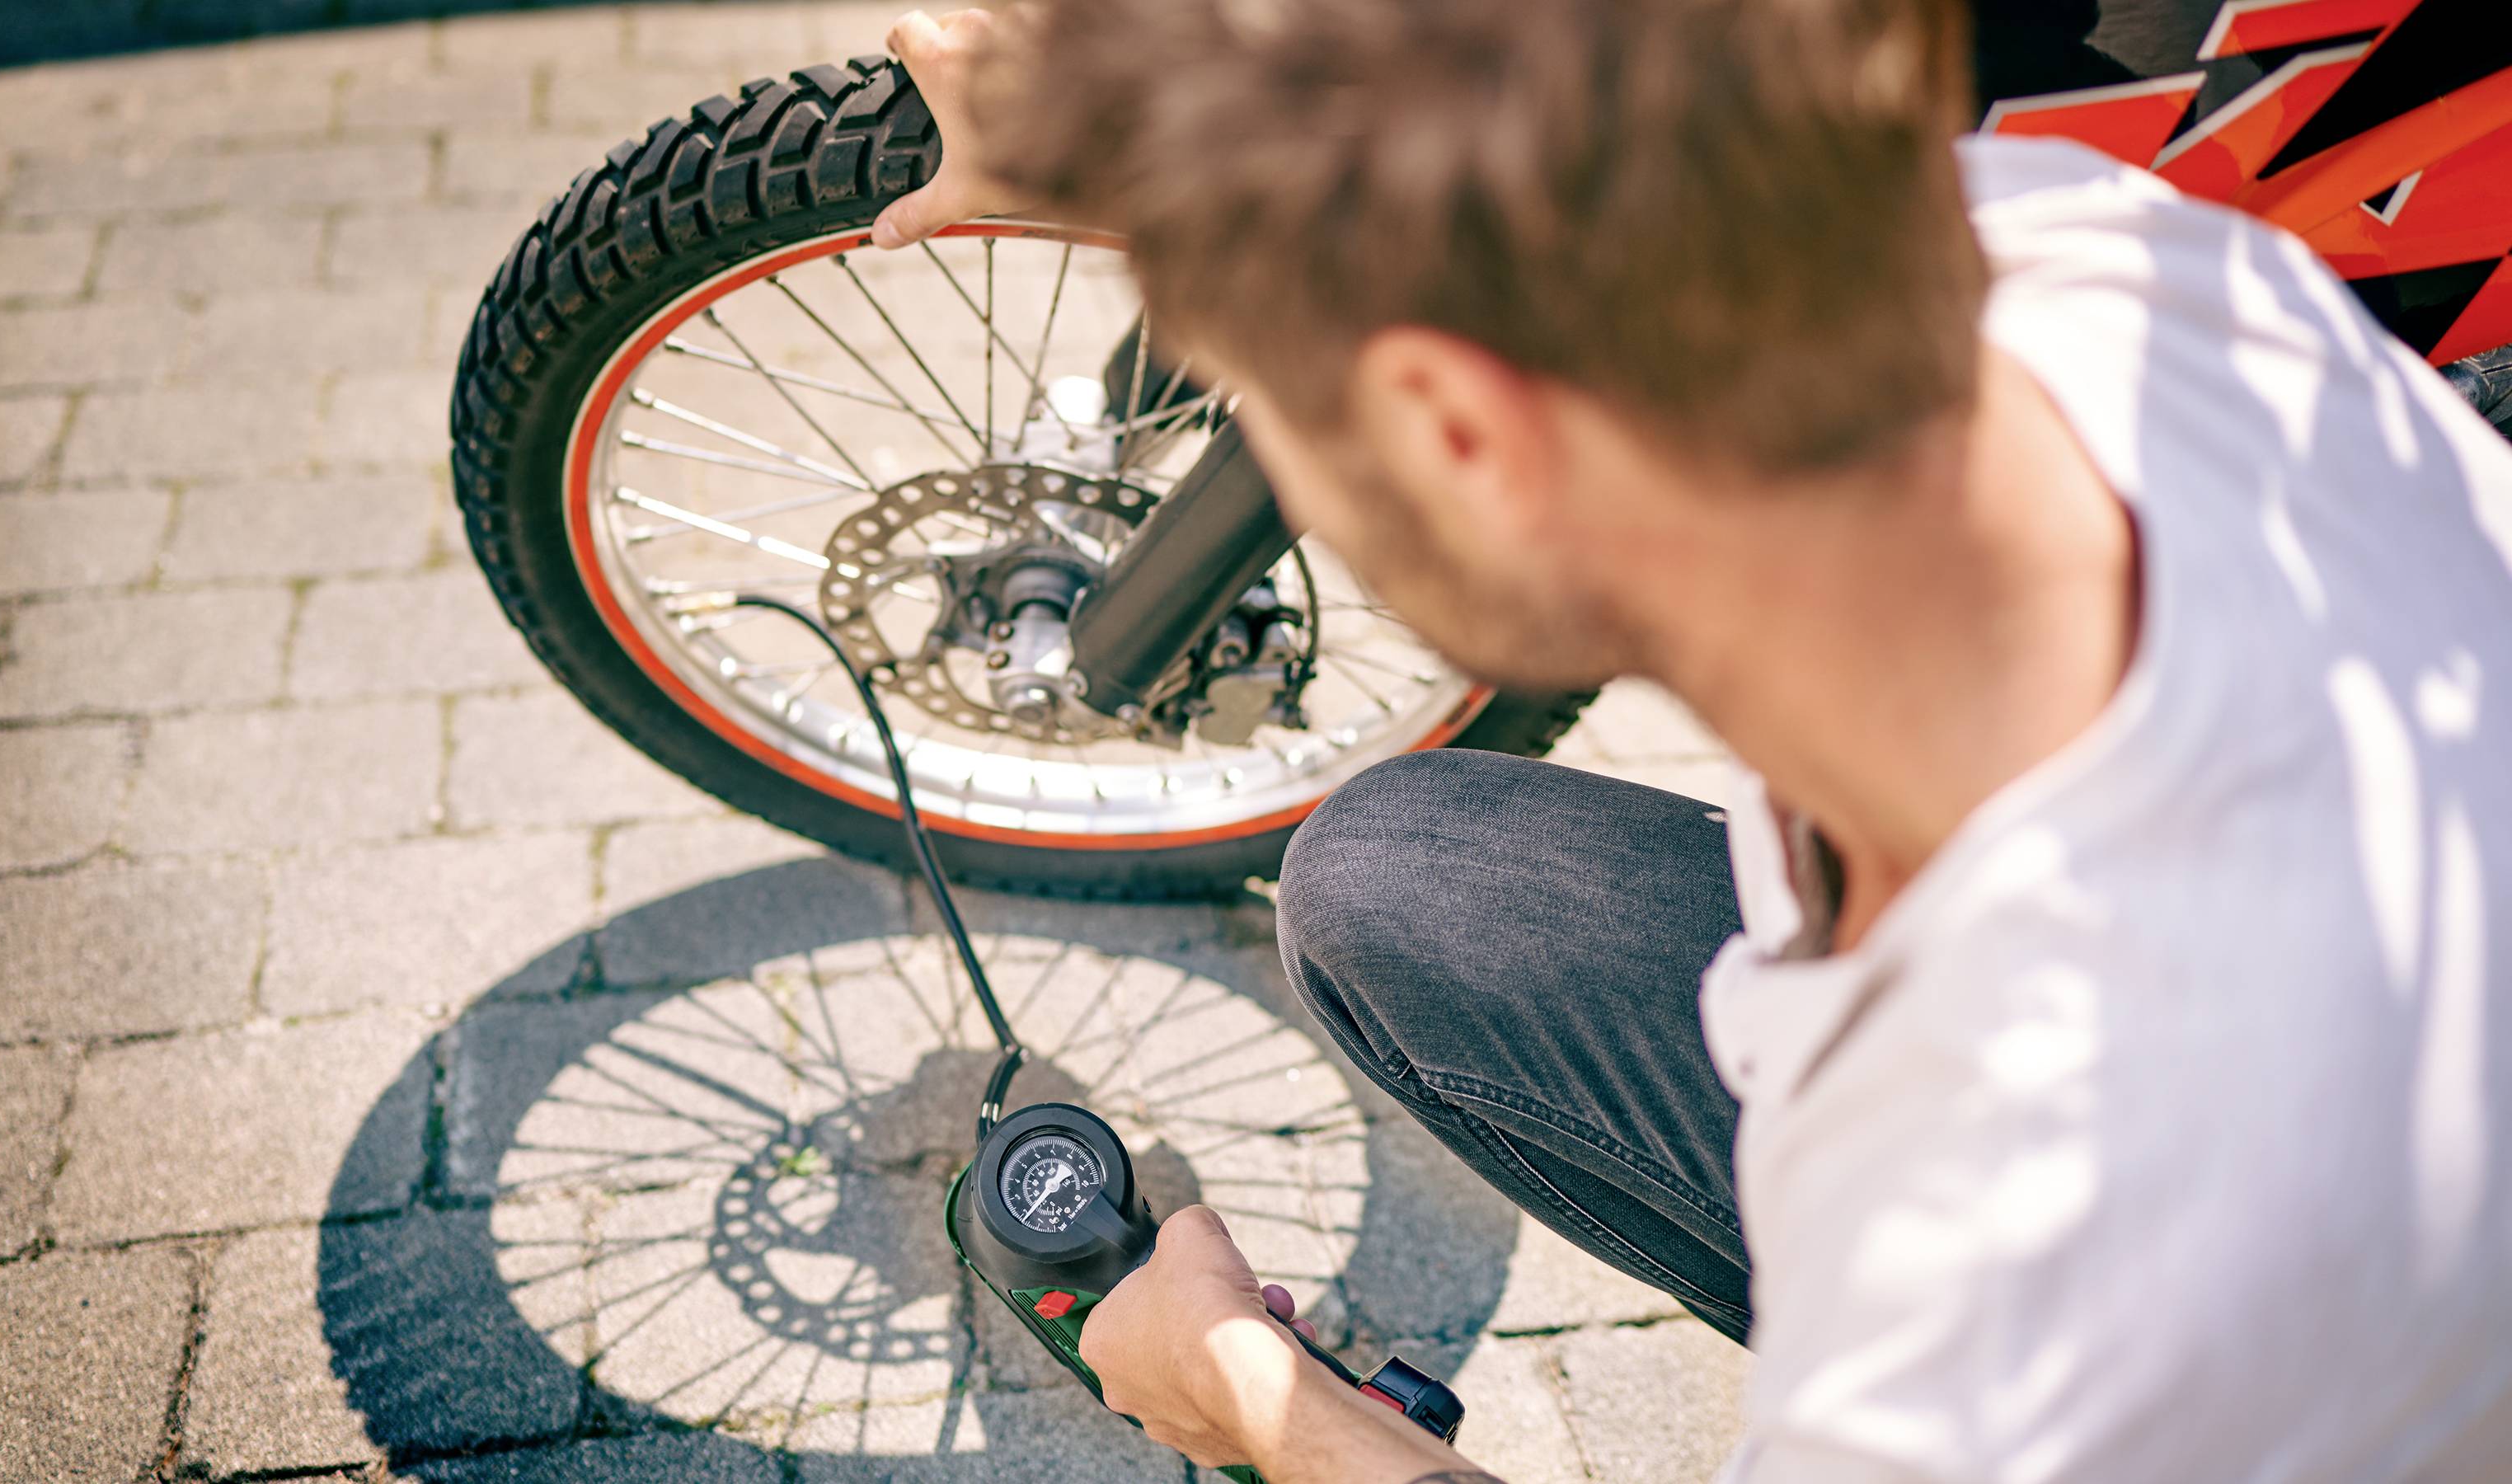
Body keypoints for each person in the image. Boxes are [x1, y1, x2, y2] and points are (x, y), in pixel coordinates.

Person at [878, 0, 2512, 1477]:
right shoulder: (2105, 248)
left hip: (2284, 1259)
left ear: (1457, 426)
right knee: (1397, 877)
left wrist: (1258, 1407)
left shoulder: (2027, 1325)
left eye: (1270, 407)